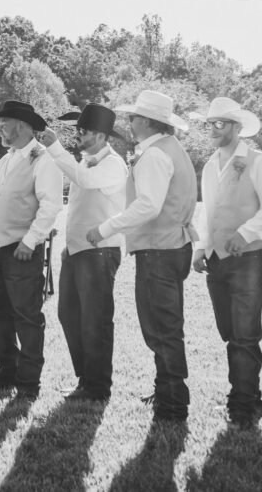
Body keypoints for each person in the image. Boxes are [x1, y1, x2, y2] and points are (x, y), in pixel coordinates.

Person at [86, 89, 198, 423]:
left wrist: (105, 228)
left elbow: (148, 205)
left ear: (147, 121)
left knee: (161, 329)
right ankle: (166, 391)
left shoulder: (154, 155)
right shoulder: (170, 149)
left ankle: (173, 403)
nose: (129, 122)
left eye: (133, 117)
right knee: (165, 327)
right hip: (170, 246)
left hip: (158, 250)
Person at [190, 98, 262, 428]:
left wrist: (245, 233)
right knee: (229, 332)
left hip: (247, 260)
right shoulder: (211, 164)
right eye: (209, 123)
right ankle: (238, 395)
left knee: (245, 335)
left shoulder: (257, 161)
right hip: (216, 261)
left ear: (237, 128)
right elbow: (209, 210)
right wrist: (201, 248)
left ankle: (247, 404)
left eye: (220, 124)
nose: (213, 129)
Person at [38, 103, 129, 402]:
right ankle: (85, 378)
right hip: (76, 250)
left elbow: (86, 182)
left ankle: (98, 387)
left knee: (96, 319)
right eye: (78, 130)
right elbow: (77, 203)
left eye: (85, 131)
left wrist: (55, 149)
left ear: (102, 136)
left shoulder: (113, 164)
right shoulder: (85, 163)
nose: (79, 135)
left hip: (100, 252)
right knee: (69, 315)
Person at [0, 100, 63, 401]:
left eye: (4, 122)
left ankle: (29, 382)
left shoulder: (44, 160)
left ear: (23, 126)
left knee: (26, 316)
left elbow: (51, 205)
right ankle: (6, 373)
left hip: (23, 249)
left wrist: (30, 241)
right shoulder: (5, 160)